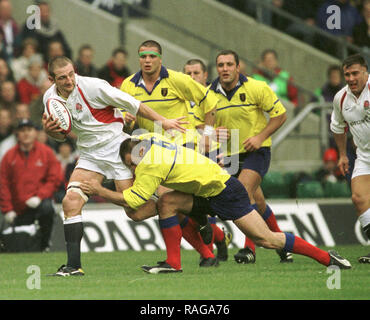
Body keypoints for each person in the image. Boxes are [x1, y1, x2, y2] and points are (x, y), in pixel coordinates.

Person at [80, 133, 351, 273]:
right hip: (206, 191)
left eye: (131, 164)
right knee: (166, 203)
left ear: (135, 155)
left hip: (224, 191)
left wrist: (97, 189)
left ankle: (328, 259)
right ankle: (174, 263)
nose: (133, 168)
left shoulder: (149, 163)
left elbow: (133, 199)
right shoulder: (154, 142)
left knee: (267, 240)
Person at [42, 56, 187, 276]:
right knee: (70, 202)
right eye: (62, 77)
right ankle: (73, 266)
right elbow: (62, 135)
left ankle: (179, 204)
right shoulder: (50, 98)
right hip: (90, 155)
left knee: (135, 212)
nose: (69, 80)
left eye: (72, 74)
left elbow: (134, 104)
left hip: (117, 149)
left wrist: (163, 121)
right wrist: (51, 132)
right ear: (51, 79)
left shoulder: (93, 86)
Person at [120, 41, 221, 266]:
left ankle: (192, 253)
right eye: (143, 56)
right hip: (150, 154)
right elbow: (125, 123)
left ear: (160, 58)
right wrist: (127, 122)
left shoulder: (177, 79)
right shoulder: (128, 85)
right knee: (172, 207)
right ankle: (212, 241)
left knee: (168, 202)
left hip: (180, 148)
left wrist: (208, 135)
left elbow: (210, 101)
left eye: (152, 56)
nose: (147, 60)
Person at [209, 50, 291, 264]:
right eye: (220, 65)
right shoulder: (208, 94)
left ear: (238, 67)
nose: (225, 69)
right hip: (228, 155)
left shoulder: (257, 87)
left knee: (243, 191)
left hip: (256, 151)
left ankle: (249, 249)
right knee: (259, 202)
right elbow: (201, 124)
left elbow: (280, 116)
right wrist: (211, 132)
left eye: (229, 64)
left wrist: (260, 136)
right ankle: (283, 245)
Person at [183, 58, 232, 261]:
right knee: (185, 209)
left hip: (212, 155)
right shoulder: (180, 98)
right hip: (185, 155)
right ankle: (220, 238)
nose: (192, 77)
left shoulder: (215, 99)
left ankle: (208, 253)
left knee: (204, 205)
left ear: (205, 76)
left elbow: (224, 131)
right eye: (188, 74)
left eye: (196, 73)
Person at [0, 119, 63, 252]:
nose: (26, 134)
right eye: (22, 131)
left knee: (47, 209)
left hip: (38, 203)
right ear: (17, 134)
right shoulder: (9, 156)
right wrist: (8, 209)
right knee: (19, 245)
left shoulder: (46, 153)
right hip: (17, 208)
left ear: (35, 133)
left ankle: (45, 246)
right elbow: (3, 184)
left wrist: (40, 197)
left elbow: (55, 178)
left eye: (29, 130)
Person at [330, 53, 370, 263]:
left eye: (355, 73)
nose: (351, 78)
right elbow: (337, 127)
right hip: (364, 156)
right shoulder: (341, 98)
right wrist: (343, 154)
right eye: (347, 74)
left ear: (365, 72)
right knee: (359, 198)